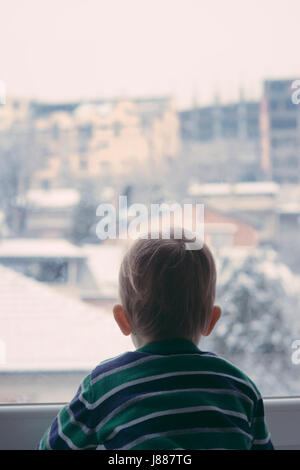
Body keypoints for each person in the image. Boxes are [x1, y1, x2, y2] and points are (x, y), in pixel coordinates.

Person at [38, 230, 274, 450]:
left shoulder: (105, 387)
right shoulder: (240, 389)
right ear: (211, 320)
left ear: (122, 319)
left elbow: (50, 447)